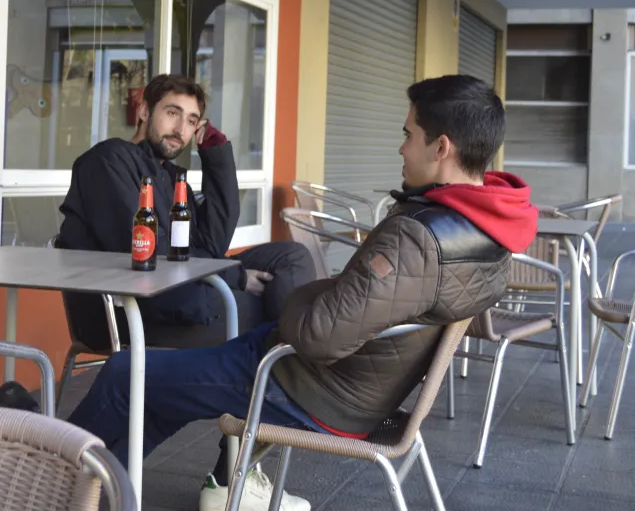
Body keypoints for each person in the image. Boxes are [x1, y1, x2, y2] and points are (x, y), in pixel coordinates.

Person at [64, 74, 539, 511]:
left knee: (127, 371)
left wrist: (303, 296)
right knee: (161, 388)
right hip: (347, 381)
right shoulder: (494, 229)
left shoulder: (419, 235)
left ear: (441, 147)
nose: (400, 148)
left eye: (408, 135)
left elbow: (319, 334)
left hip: (311, 385)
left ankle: (50, 472)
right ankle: (108, 484)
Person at [51, 73, 319, 510]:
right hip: (135, 304)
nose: (181, 128)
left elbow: (211, 244)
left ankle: (300, 362)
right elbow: (143, 247)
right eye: (172, 113)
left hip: (183, 289)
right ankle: (235, 467)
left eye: (192, 121)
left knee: (287, 260)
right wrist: (233, 278)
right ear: (144, 111)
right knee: (268, 333)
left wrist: (216, 156)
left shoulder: (172, 176)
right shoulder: (110, 160)